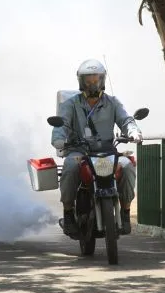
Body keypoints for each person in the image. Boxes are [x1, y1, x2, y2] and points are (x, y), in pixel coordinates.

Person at [51, 59, 143, 238]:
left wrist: (134, 132)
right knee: (70, 166)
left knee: (127, 166)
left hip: (108, 151)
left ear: (102, 80)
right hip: (80, 151)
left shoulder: (112, 102)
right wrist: (59, 140)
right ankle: (68, 213)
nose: (92, 83)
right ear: (81, 81)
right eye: (88, 80)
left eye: (96, 79)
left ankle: (125, 212)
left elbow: (126, 120)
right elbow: (60, 125)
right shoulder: (71, 104)